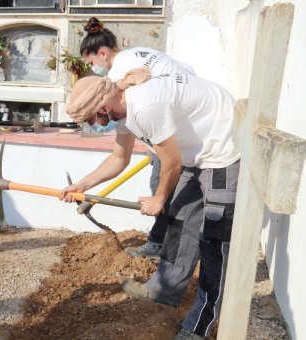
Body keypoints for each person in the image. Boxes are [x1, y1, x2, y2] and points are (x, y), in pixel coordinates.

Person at [61, 74, 240, 340]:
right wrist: (82, 185)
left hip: (222, 149)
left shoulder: (144, 107)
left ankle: (200, 325)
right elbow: (118, 159)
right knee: (179, 221)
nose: (91, 124)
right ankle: (165, 290)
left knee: (214, 241)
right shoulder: (124, 111)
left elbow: (172, 164)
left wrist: (158, 200)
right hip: (194, 152)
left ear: (102, 106)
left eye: (90, 118)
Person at [79, 17, 196, 259]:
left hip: (182, 127)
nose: (94, 69)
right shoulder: (135, 54)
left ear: (102, 53)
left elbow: (121, 153)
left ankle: (162, 247)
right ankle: (165, 244)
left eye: (91, 62)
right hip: (188, 113)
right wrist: (83, 185)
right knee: (165, 184)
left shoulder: (118, 76)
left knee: (162, 187)